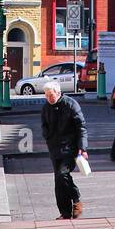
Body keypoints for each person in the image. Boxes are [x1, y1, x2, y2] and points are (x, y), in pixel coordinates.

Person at [41, 82, 88, 219]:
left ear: (58, 93)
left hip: (70, 148)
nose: (49, 98)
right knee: (58, 181)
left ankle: (76, 198)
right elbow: (44, 125)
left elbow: (81, 127)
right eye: (47, 96)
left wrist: (82, 148)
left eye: (51, 95)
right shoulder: (46, 108)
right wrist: (47, 135)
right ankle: (65, 212)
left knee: (62, 174)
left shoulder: (71, 104)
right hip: (54, 148)